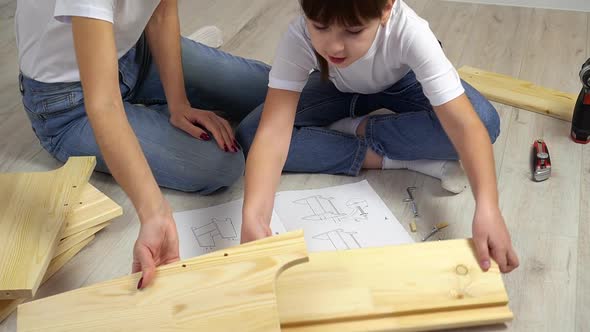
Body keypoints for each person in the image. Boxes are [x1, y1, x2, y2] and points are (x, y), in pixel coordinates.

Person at [236, 0, 519, 273]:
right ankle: (393, 157)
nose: (334, 46)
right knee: (250, 135)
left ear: (386, 8)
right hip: (336, 89)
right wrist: (254, 215)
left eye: (353, 30)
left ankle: (356, 128)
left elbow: (467, 127)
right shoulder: (299, 36)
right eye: (320, 26)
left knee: (484, 121)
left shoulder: (410, 31)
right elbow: (273, 131)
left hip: (404, 83)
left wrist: (488, 207)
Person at [15, 0, 270, 288]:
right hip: (69, 102)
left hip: (133, 53)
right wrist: (154, 213)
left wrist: (179, 103)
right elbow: (104, 104)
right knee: (221, 164)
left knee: (272, 88)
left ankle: (151, 108)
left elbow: (161, 12)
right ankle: (143, 117)